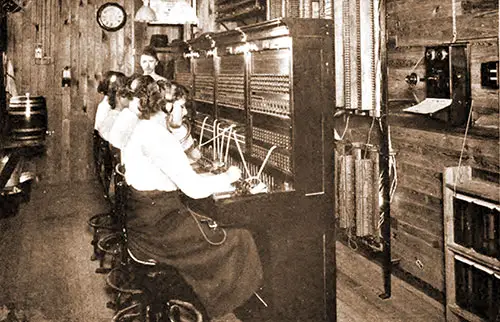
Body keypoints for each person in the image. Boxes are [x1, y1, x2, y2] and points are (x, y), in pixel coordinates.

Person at [121, 75, 262, 322]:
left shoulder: (146, 129)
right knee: (241, 238)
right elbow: (194, 189)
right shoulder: (158, 138)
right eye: (182, 106)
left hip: (144, 224)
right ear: (166, 106)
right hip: (159, 230)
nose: (185, 112)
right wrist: (229, 176)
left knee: (213, 225)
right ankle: (240, 311)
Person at [158, 80, 201, 163]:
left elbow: (195, 155)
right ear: (168, 107)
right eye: (182, 106)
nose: (185, 112)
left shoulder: (181, 131)